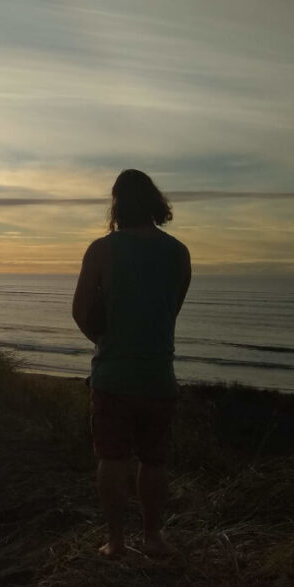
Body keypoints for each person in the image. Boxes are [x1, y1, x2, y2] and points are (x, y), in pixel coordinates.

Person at [72, 169, 191, 559]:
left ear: (117, 205)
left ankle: (117, 542)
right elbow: (171, 309)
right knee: (154, 460)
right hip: (158, 375)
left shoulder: (102, 250)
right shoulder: (178, 252)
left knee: (112, 458)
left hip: (113, 375)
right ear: (155, 202)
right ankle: (153, 537)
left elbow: (80, 311)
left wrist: (107, 340)